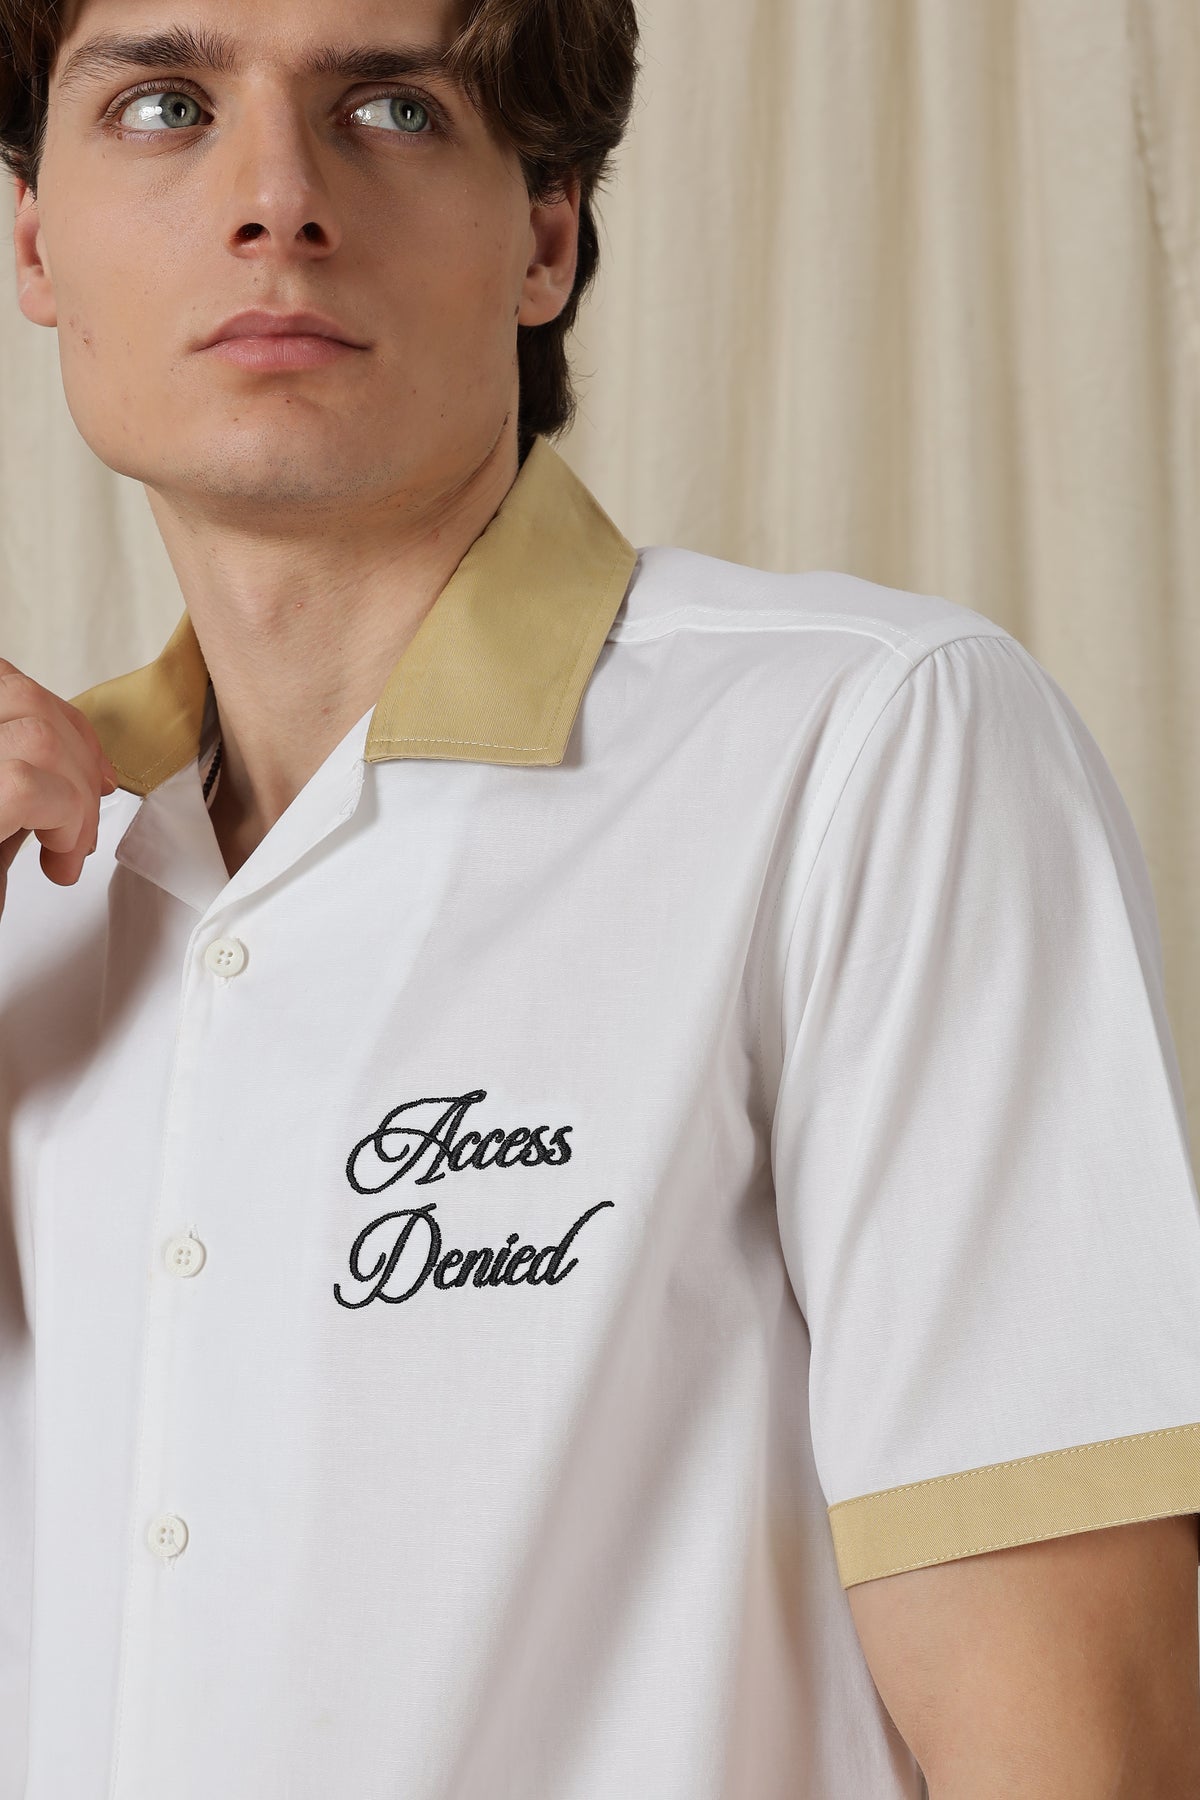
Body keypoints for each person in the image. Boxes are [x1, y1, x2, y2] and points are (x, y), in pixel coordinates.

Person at [1, 0, 1198, 1795]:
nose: (275, 197)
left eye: (391, 109)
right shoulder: (33, 877)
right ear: (34, 239)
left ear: (547, 232)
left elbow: (1078, 1747)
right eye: (166, 104)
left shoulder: (865, 749)